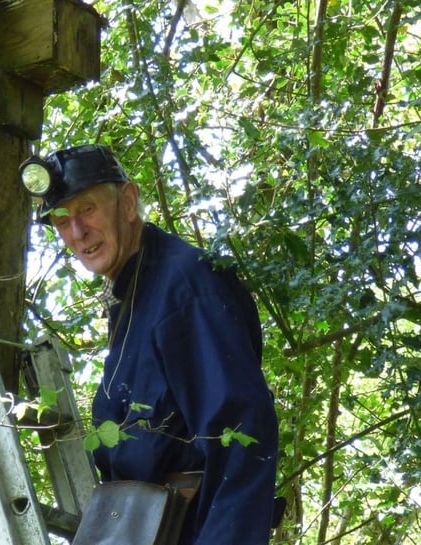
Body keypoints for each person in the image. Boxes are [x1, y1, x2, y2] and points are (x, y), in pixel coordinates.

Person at [19, 144, 279, 545]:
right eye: (61, 220)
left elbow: (243, 440)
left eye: (87, 209)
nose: (76, 232)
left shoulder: (186, 287)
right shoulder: (133, 293)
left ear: (128, 201)